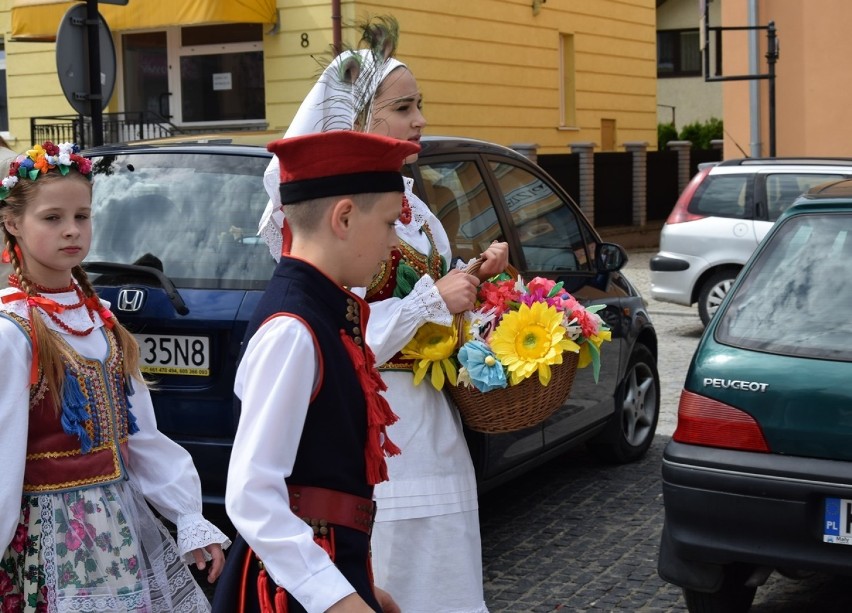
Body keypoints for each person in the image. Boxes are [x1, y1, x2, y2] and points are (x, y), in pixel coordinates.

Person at [257, 19, 508, 612]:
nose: (419, 119)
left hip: (436, 432)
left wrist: (479, 284)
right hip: (378, 433)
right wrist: (431, 301)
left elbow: (442, 301)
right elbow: (339, 330)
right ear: (355, 121)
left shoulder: (417, 209)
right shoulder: (327, 225)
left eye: (420, 104)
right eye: (403, 106)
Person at [0, 141, 230, 611]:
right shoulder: (13, 331)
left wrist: (186, 515)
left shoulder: (101, 318)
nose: (72, 230)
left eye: (82, 216)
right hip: (49, 541)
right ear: (12, 224)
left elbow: (140, 434)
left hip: (119, 528)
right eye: (52, 218)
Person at [214, 130, 420, 613]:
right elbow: (251, 493)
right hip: (285, 593)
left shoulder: (325, 311)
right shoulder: (294, 329)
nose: (394, 245)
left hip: (323, 570)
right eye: (390, 224)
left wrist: (360, 585)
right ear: (344, 217)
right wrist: (337, 599)